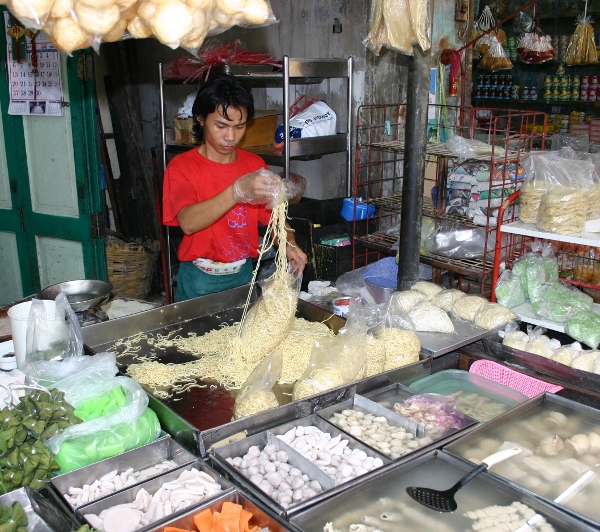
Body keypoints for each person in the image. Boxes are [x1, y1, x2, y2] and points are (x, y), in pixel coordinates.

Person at [163, 74, 307, 302]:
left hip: (242, 276)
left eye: (239, 127)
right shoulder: (182, 167)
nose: (230, 137)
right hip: (200, 279)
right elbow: (188, 223)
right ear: (200, 119)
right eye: (221, 126)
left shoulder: (253, 165)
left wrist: (289, 244)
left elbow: (274, 218)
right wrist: (237, 191)